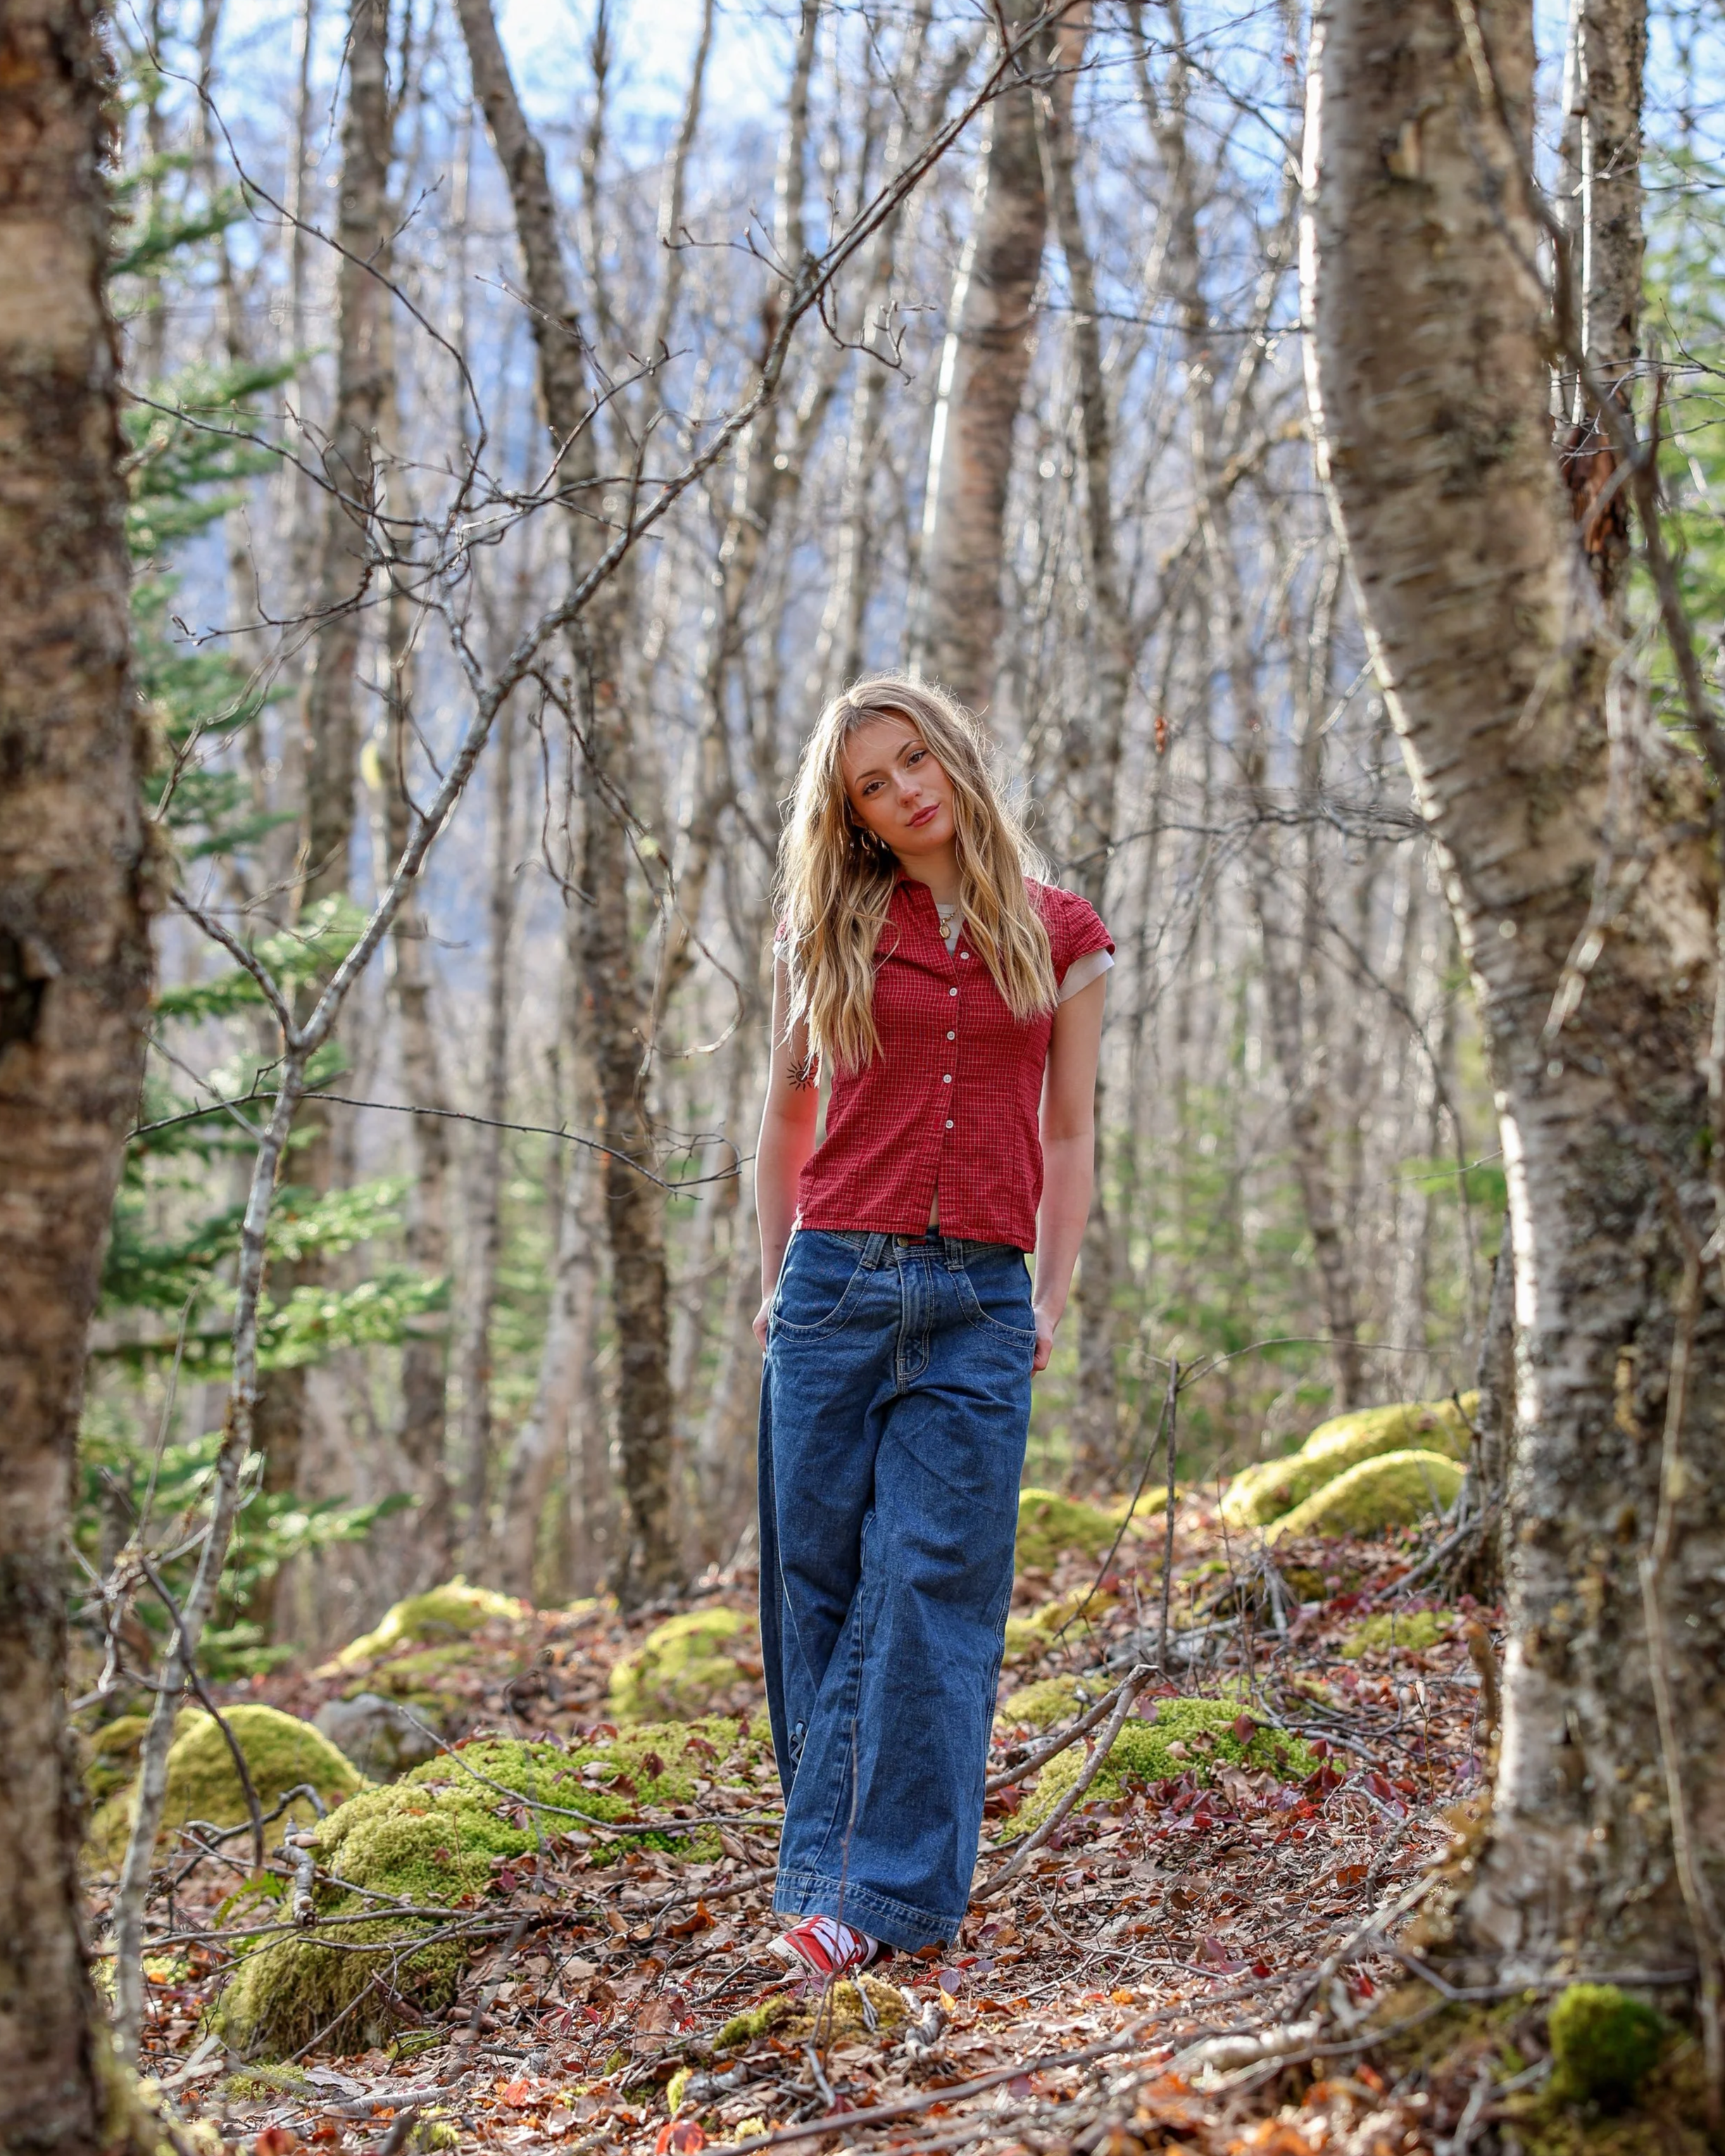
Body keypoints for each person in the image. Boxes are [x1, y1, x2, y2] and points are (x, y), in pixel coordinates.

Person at [753, 674, 1112, 1979]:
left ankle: (866, 1897)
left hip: (978, 1298)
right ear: (850, 816)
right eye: (872, 783)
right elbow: (786, 1125)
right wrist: (771, 1272)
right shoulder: (828, 930)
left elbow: (1068, 1131)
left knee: (934, 1583)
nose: (907, 791)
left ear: (953, 754)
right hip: (834, 1284)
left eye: (916, 760)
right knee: (819, 1586)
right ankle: (841, 1875)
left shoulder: (1060, 933)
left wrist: (1053, 1294)